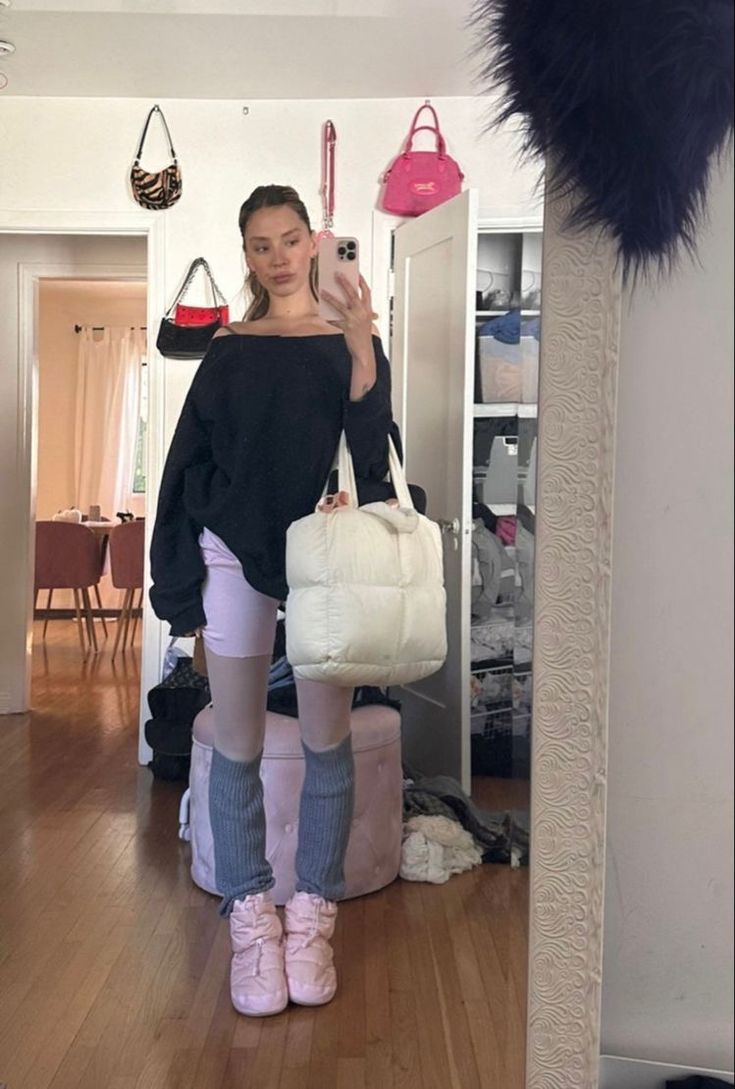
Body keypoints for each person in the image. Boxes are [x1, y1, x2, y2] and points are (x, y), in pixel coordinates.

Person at [149, 184, 395, 1018]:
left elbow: (376, 455)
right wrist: (177, 585)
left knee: (328, 742)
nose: (280, 255)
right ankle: (251, 913)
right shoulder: (228, 347)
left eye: (292, 239)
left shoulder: (346, 341)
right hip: (232, 553)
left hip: (324, 557)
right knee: (240, 742)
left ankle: (312, 914)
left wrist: (362, 352)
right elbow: (189, 465)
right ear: (246, 255)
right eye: (261, 243)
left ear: (311, 245)